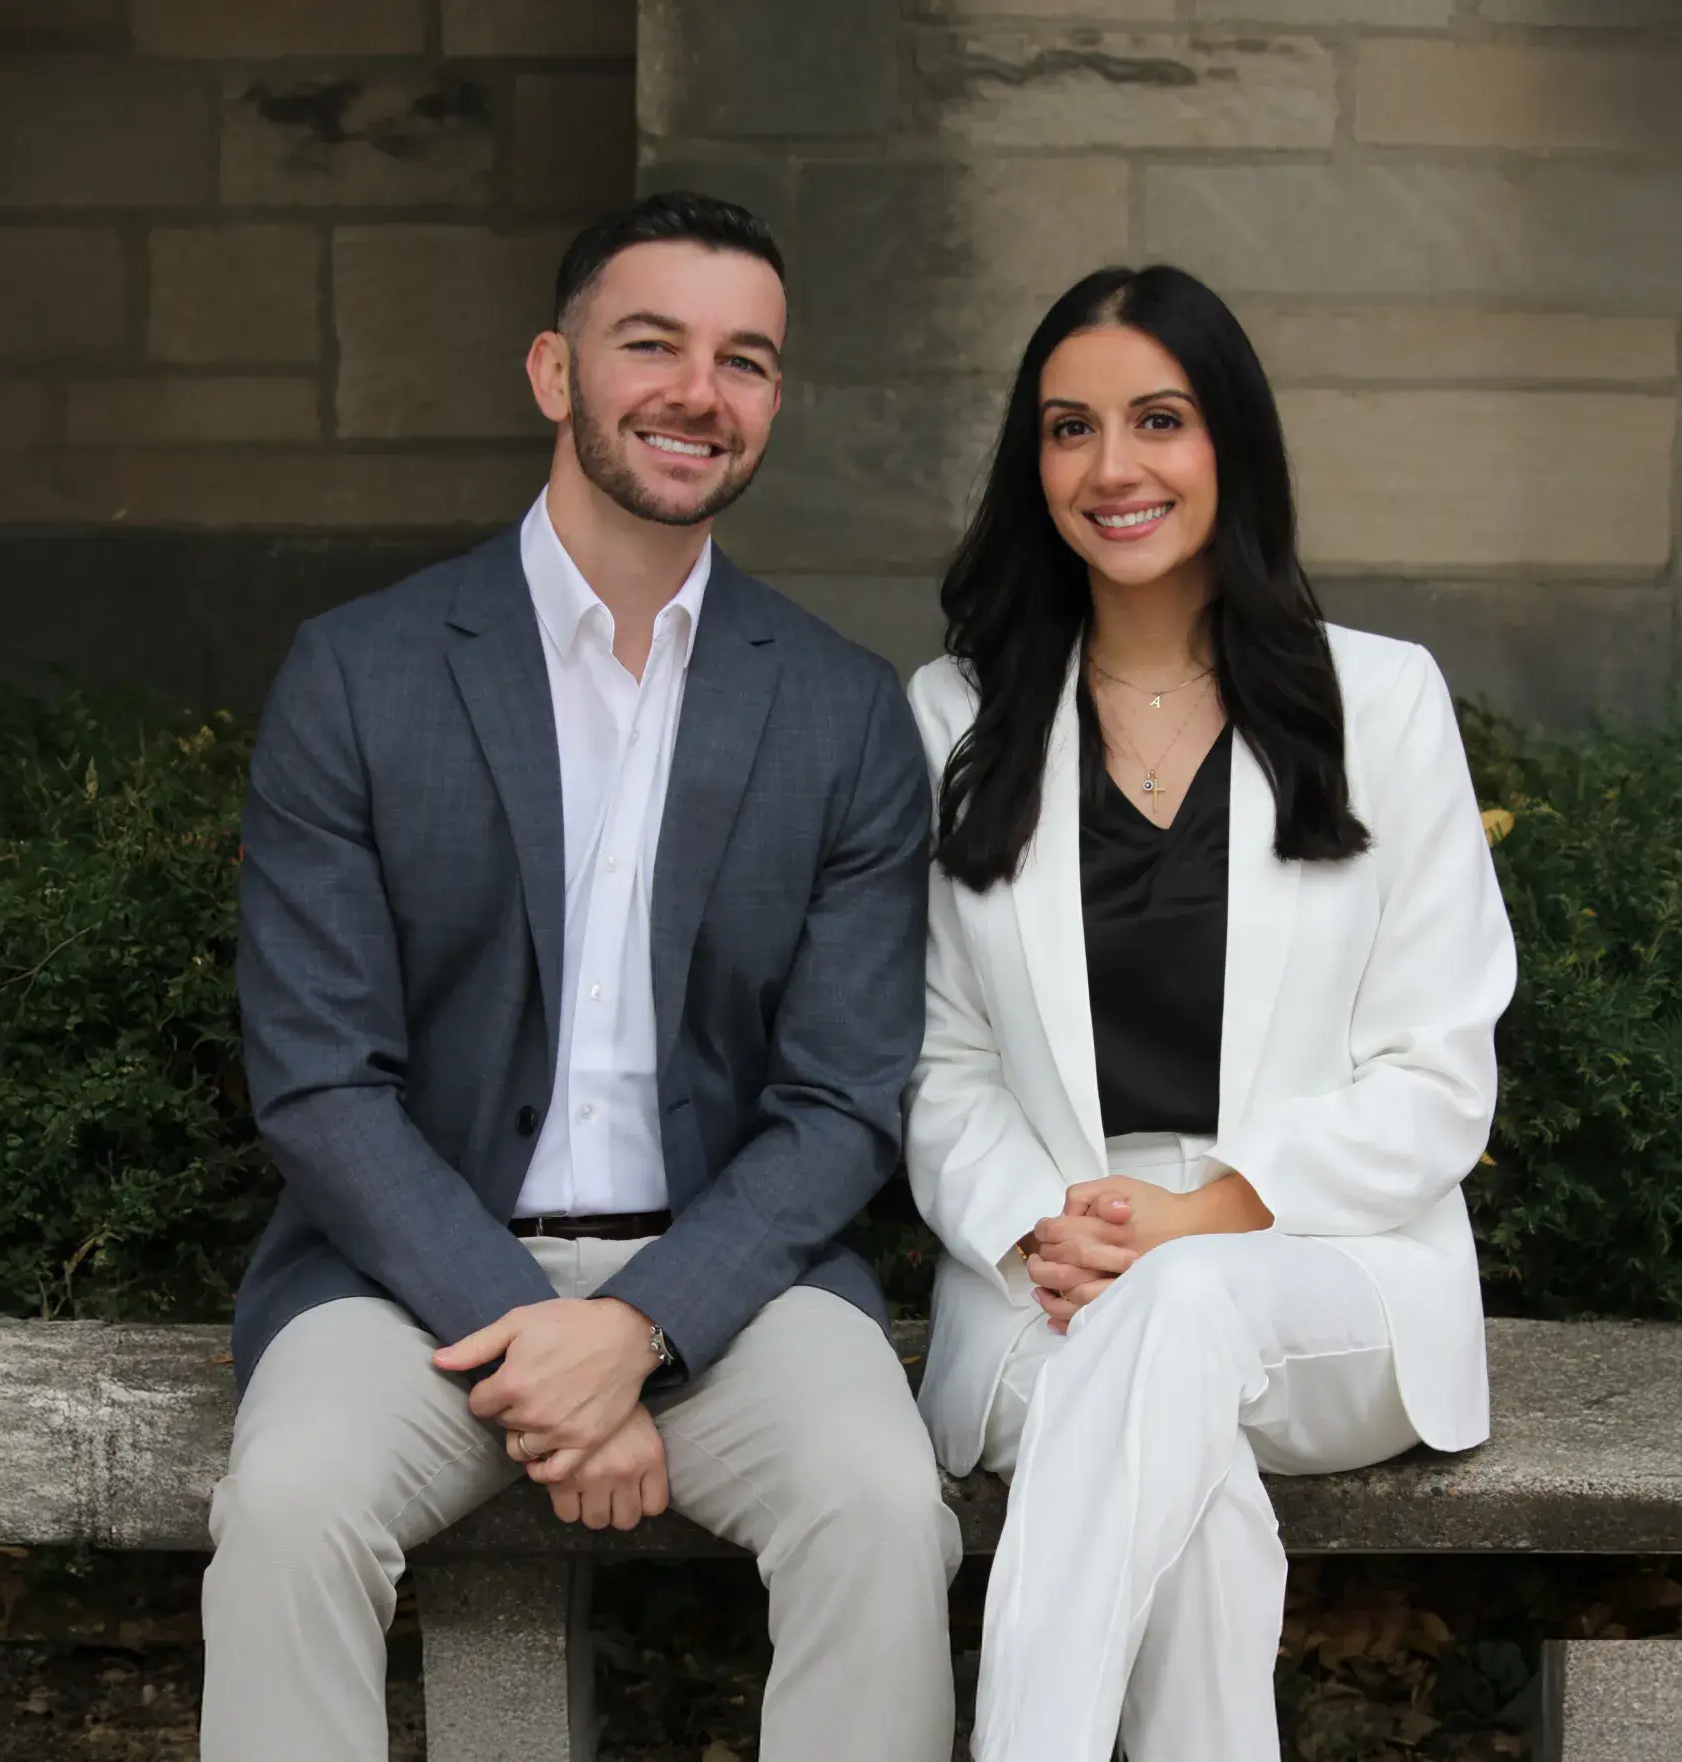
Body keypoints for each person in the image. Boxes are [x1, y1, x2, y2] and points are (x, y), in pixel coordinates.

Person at [204, 191, 960, 1762]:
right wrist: (534, 1333)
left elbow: (837, 1107)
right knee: (285, 1508)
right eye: (652, 343)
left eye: (744, 359)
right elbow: (322, 1080)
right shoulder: (363, 671)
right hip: (404, 1285)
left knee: (886, 1507)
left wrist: (638, 1331)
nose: (700, 390)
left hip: (735, 1292)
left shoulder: (840, 712)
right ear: (554, 372)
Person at [903, 264, 1516, 1762]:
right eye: (1069, 429)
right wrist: (1045, 1225)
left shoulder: (1381, 703)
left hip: (1325, 1270)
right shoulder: (955, 720)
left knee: (1174, 1313)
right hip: (1052, 1267)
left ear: (1227, 441)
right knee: (1192, 1497)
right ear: (1030, 462)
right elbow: (938, 1062)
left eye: (1157, 419)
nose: (1113, 468)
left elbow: (1437, 1075)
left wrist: (1198, 1220)